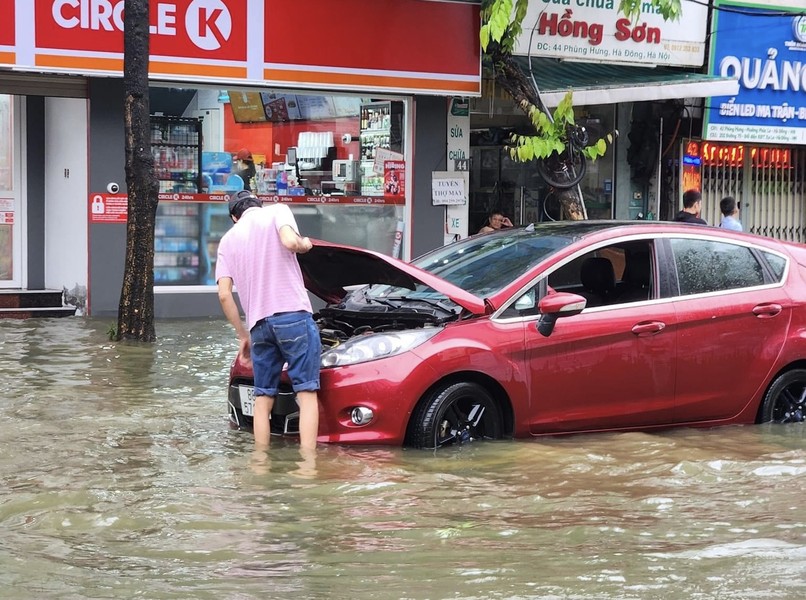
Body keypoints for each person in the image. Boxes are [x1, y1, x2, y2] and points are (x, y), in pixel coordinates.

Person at [216, 190, 320, 451]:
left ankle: (260, 464)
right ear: (258, 205)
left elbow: (224, 295)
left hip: (259, 327)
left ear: (234, 216)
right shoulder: (277, 211)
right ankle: (307, 467)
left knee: (262, 398)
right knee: (306, 393)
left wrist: (243, 335)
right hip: (292, 315)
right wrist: (305, 244)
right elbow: (290, 242)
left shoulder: (227, 241)